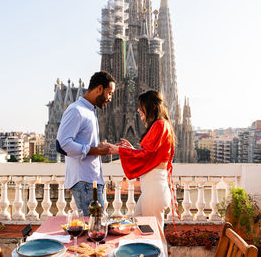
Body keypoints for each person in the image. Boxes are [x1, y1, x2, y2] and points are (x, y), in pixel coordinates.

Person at [108, 90, 175, 229]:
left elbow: (147, 154)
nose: (138, 110)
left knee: (153, 234)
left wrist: (119, 150)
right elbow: (150, 154)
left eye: (141, 106)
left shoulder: (160, 125)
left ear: (152, 107)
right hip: (152, 189)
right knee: (139, 225)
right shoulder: (162, 125)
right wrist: (131, 149)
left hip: (154, 189)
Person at [56, 71, 116, 216]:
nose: (110, 98)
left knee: (96, 229)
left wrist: (99, 147)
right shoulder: (76, 110)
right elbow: (62, 144)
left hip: (91, 181)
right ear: (99, 89)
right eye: (109, 93)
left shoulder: (89, 111)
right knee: (95, 230)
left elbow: (83, 143)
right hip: (85, 182)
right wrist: (95, 150)